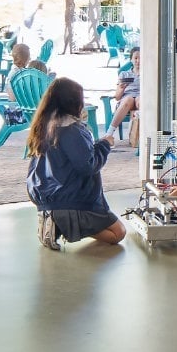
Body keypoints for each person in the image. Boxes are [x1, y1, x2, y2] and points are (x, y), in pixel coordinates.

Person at [25, 77, 126, 250]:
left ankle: (56, 222)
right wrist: (105, 145)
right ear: (74, 102)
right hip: (72, 199)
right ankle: (66, 226)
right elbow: (87, 165)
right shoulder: (72, 130)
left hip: (46, 198)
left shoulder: (43, 125)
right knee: (118, 233)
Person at [108, 47, 141, 140]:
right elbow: (117, 97)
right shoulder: (124, 74)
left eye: (141, 58)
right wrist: (121, 88)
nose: (138, 61)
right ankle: (109, 133)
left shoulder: (148, 74)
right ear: (131, 59)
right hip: (126, 99)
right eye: (135, 58)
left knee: (141, 99)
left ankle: (141, 134)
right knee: (128, 99)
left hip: (141, 98)